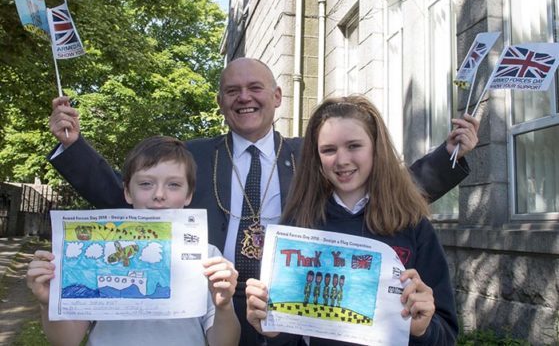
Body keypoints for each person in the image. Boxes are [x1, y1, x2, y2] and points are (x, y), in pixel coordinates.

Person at [47, 57, 478, 345]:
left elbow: (382, 189)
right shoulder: (192, 156)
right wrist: (74, 147)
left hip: (289, 316)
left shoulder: (312, 155)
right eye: (232, 90)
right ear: (220, 102)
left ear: (277, 97)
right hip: (211, 309)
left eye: (255, 87)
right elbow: (131, 197)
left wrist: (449, 156)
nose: (244, 97)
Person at [246, 95, 458, 345]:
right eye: (329, 150)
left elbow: (446, 336)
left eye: (354, 146)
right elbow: (289, 334)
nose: (342, 160)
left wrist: (424, 330)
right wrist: (272, 330)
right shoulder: (298, 226)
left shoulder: (412, 224)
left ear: (375, 148)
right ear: (317, 157)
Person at [27, 136, 240, 346]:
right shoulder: (99, 250)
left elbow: (225, 343)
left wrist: (224, 307)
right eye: (146, 184)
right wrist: (48, 304)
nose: (159, 194)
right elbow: (67, 339)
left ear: (189, 195)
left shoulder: (208, 257)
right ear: (128, 192)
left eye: (174, 185)